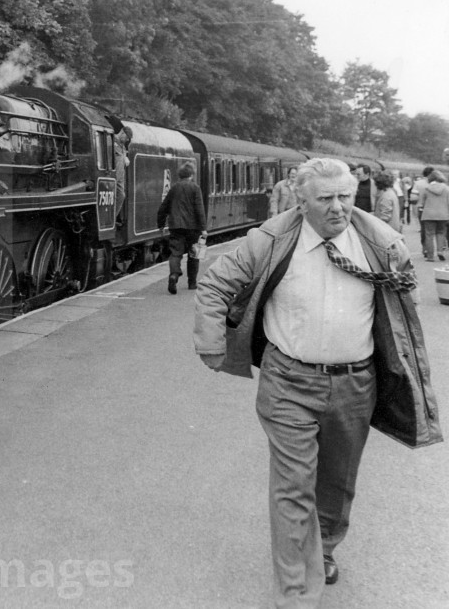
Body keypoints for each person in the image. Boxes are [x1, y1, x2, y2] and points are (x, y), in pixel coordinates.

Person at [193, 158, 441, 609]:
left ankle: (323, 546)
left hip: (355, 384)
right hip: (288, 381)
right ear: (300, 200)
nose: (338, 207)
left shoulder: (381, 243)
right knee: (292, 486)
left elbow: (407, 301)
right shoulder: (268, 240)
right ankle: (294, 594)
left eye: (345, 196)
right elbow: (215, 285)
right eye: (324, 199)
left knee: (337, 481)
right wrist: (211, 342)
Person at [156, 161, 207, 294]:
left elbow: (163, 208)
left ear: (180, 175)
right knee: (194, 255)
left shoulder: (174, 188)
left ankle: (174, 275)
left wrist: (161, 224)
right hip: (193, 228)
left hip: (176, 226)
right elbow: (199, 210)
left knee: (175, 253)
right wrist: (203, 228)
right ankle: (192, 283)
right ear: (191, 174)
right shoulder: (195, 188)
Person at [417, 170, 449, 261]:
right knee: (441, 233)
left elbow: (422, 202)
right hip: (443, 214)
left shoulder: (427, 188)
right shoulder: (446, 188)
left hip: (429, 214)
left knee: (429, 235)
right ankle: (440, 251)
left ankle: (430, 256)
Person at [413, 166, 434, 253]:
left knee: (424, 229)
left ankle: (425, 248)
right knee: (434, 230)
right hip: (433, 208)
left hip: (420, 208)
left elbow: (413, 197)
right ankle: (440, 247)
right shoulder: (434, 183)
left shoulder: (418, 183)